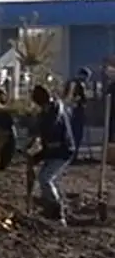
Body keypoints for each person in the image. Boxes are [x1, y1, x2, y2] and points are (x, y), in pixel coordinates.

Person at [30, 84, 75, 226]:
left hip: (63, 151)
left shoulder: (54, 115)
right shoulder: (48, 112)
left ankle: (57, 212)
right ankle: (50, 208)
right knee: (45, 178)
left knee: (45, 178)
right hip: (55, 151)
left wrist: (39, 156)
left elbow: (51, 140)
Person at [64, 67, 90, 161]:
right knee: (77, 134)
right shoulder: (80, 84)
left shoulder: (70, 82)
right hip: (76, 113)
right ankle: (73, 156)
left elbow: (66, 97)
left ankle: (68, 155)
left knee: (69, 134)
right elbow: (82, 99)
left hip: (67, 112)